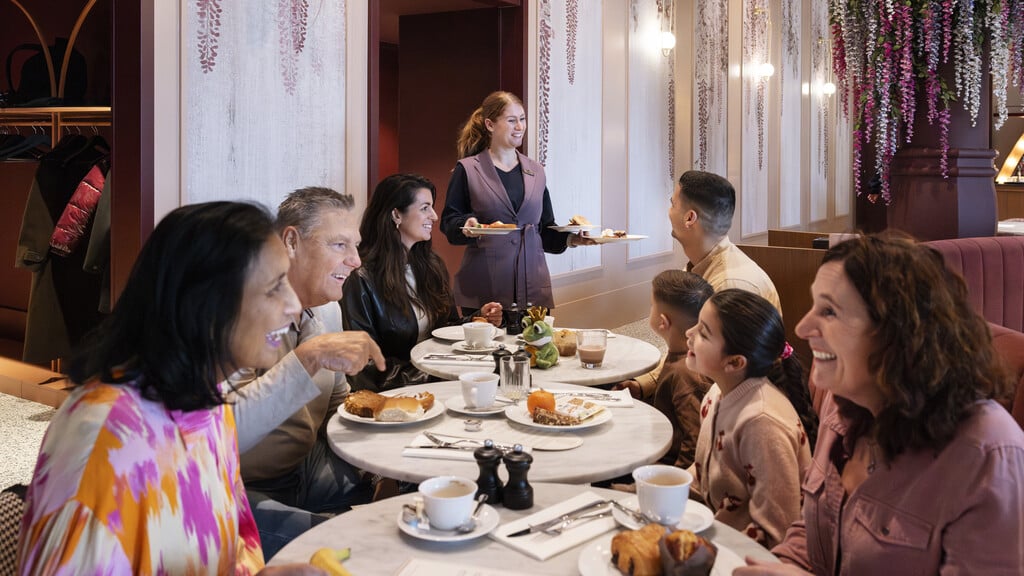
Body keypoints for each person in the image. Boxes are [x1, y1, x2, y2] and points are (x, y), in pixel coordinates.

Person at [17, 202, 319, 574]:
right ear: (206, 302)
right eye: (275, 288)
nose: (294, 305)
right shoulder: (106, 442)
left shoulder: (206, 402)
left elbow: (232, 547)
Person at [738, 235, 1024, 575]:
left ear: (900, 332)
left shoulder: (988, 456)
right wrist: (782, 566)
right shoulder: (844, 406)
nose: (801, 328)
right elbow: (814, 529)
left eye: (829, 311)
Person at [231, 187, 386, 559]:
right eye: (339, 245)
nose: (355, 261)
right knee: (361, 551)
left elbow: (337, 405)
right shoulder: (238, 312)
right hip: (238, 488)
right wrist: (309, 357)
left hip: (307, 466)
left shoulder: (327, 309)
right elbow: (223, 434)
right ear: (291, 242)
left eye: (355, 246)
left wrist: (381, 462)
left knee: (412, 487)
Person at [624, 170, 781, 397]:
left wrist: (645, 387)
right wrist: (642, 385)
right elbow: (685, 348)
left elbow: (709, 373)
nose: (668, 211)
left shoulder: (730, 286)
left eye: (672, 204)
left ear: (690, 218)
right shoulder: (702, 265)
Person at [440, 91, 593, 319]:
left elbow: (544, 229)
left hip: (533, 287)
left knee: (535, 341)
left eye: (522, 119)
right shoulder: (468, 169)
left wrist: (573, 239)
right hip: (485, 289)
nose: (520, 127)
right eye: (512, 120)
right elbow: (449, 222)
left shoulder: (536, 171)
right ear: (490, 125)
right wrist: (467, 224)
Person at [343, 173, 502, 391]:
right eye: (425, 208)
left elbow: (444, 328)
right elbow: (365, 366)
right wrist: (435, 376)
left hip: (438, 381)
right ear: (396, 215)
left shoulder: (432, 265)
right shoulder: (360, 278)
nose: (434, 216)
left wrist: (477, 319)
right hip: (396, 393)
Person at [685, 289, 818, 549]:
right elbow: (707, 472)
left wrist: (705, 550)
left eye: (703, 333)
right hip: (716, 534)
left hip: (747, 555)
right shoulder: (716, 395)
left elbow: (776, 533)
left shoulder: (762, 423)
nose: (689, 333)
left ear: (735, 362)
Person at [615, 270, 714, 469]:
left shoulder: (686, 373)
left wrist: (667, 480)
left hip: (664, 467)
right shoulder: (681, 355)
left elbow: (695, 444)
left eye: (652, 305)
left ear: (663, 322)